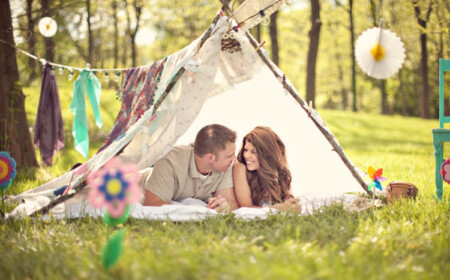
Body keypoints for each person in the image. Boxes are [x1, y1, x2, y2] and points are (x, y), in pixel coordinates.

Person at [141, 124, 238, 212]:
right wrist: (197, 211)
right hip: (137, 180)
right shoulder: (170, 161)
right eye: (230, 156)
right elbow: (152, 205)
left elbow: (231, 203)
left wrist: (224, 206)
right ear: (210, 157)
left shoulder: (225, 166)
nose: (234, 159)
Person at [232, 126, 301, 212]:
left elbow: (288, 194)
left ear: (266, 153)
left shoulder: (282, 165)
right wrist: (280, 208)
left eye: (253, 152)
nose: (246, 155)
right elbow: (246, 208)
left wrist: (291, 203)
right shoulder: (240, 167)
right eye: (246, 150)